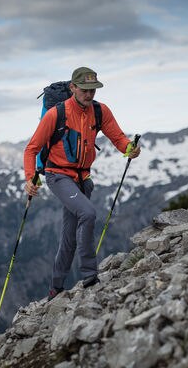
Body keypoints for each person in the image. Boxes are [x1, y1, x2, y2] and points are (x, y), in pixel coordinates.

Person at [23, 67, 141, 300]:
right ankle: (90, 275)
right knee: (88, 213)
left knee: (69, 238)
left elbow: (117, 137)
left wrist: (130, 148)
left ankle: (55, 288)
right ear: (73, 88)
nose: (89, 94)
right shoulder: (56, 114)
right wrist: (30, 178)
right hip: (58, 176)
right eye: (85, 89)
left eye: (93, 90)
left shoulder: (100, 111)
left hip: (82, 179)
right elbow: (32, 148)